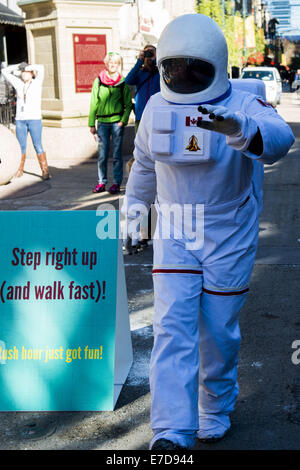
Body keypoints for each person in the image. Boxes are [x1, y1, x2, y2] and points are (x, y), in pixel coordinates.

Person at [124, 14, 295, 450]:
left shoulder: (242, 104)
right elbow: (144, 167)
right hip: (177, 230)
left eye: (192, 68)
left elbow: (279, 139)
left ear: (214, 65)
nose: (181, 76)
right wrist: (134, 218)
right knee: (172, 329)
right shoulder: (156, 109)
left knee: (218, 333)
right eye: (174, 68)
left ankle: (214, 408)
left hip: (228, 233)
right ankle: (171, 431)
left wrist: (242, 131)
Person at [89, 52, 132, 195]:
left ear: (119, 65)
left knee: (117, 155)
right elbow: (94, 102)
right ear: (106, 64)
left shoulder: (123, 82)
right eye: (111, 62)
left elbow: (128, 104)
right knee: (102, 154)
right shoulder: (99, 80)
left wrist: (122, 121)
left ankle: (116, 183)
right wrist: (91, 123)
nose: (113, 65)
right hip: (102, 123)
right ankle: (102, 182)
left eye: (116, 63)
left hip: (116, 123)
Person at [1, 62, 50, 180]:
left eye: (26, 72)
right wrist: (18, 66)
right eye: (23, 72)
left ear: (31, 74)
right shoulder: (19, 84)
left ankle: (45, 171)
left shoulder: (37, 83)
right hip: (20, 120)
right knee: (21, 146)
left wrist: (29, 67)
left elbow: (42, 68)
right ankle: (20, 169)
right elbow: (4, 71)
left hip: (34, 119)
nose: (24, 74)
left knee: (37, 145)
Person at [125, 45, 160, 132]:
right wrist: (139, 61)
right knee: (140, 144)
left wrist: (157, 58)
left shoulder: (160, 72)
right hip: (141, 116)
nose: (149, 55)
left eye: (152, 52)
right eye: (147, 52)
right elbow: (128, 80)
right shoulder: (139, 72)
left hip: (157, 115)